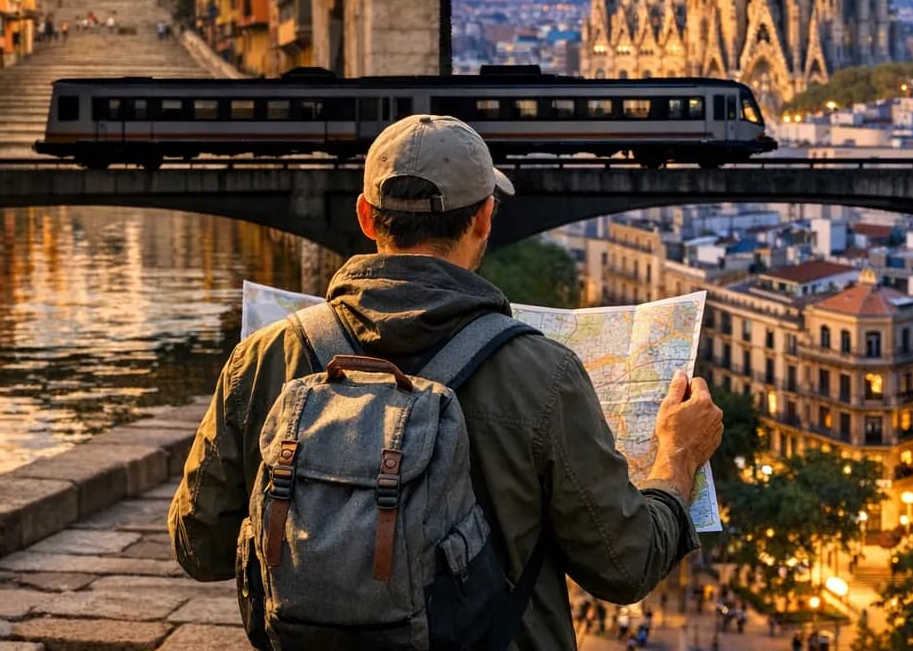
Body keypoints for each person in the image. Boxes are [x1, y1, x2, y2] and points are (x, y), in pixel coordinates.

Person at [168, 114, 724, 649]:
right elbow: (624, 566)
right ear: (484, 218)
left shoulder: (264, 356)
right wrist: (676, 458)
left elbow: (199, 547)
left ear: (366, 217)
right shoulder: (543, 374)